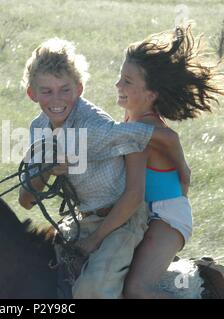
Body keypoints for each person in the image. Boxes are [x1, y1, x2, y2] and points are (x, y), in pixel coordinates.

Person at [18, 38, 190, 298]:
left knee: (93, 291)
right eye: (46, 91)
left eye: (65, 89)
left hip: (123, 220)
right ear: (32, 93)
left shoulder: (96, 127)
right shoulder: (39, 128)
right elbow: (26, 200)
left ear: (79, 89)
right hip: (82, 219)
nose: (56, 99)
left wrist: (183, 172)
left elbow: (155, 141)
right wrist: (47, 168)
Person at [118, 25, 224, 298]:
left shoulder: (149, 130)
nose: (117, 86)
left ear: (151, 94)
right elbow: (184, 175)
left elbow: (172, 145)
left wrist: (179, 174)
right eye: (119, 78)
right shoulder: (131, 123)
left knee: (136, 289)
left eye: (127, 81)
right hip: (147, 212)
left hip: (167, 217)